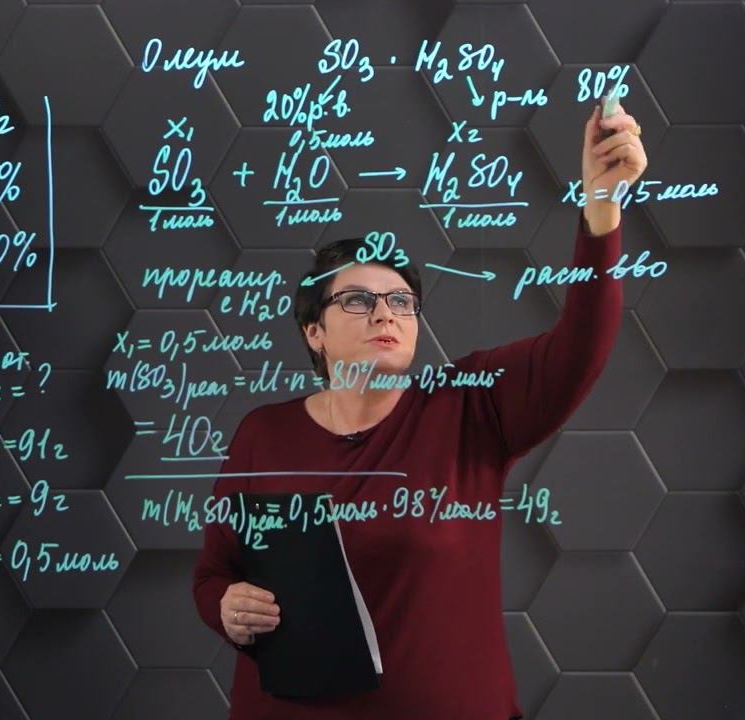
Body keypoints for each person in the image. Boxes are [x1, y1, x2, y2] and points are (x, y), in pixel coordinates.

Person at [191, 100, 648, 719]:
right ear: (313, 332)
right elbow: (213, 576)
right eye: (358, 300)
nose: (385, 313)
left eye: (402, 302)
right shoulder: (262, 434)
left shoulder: (470, 406)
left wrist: (602, 207)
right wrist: (225, 607)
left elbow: (581, 346)